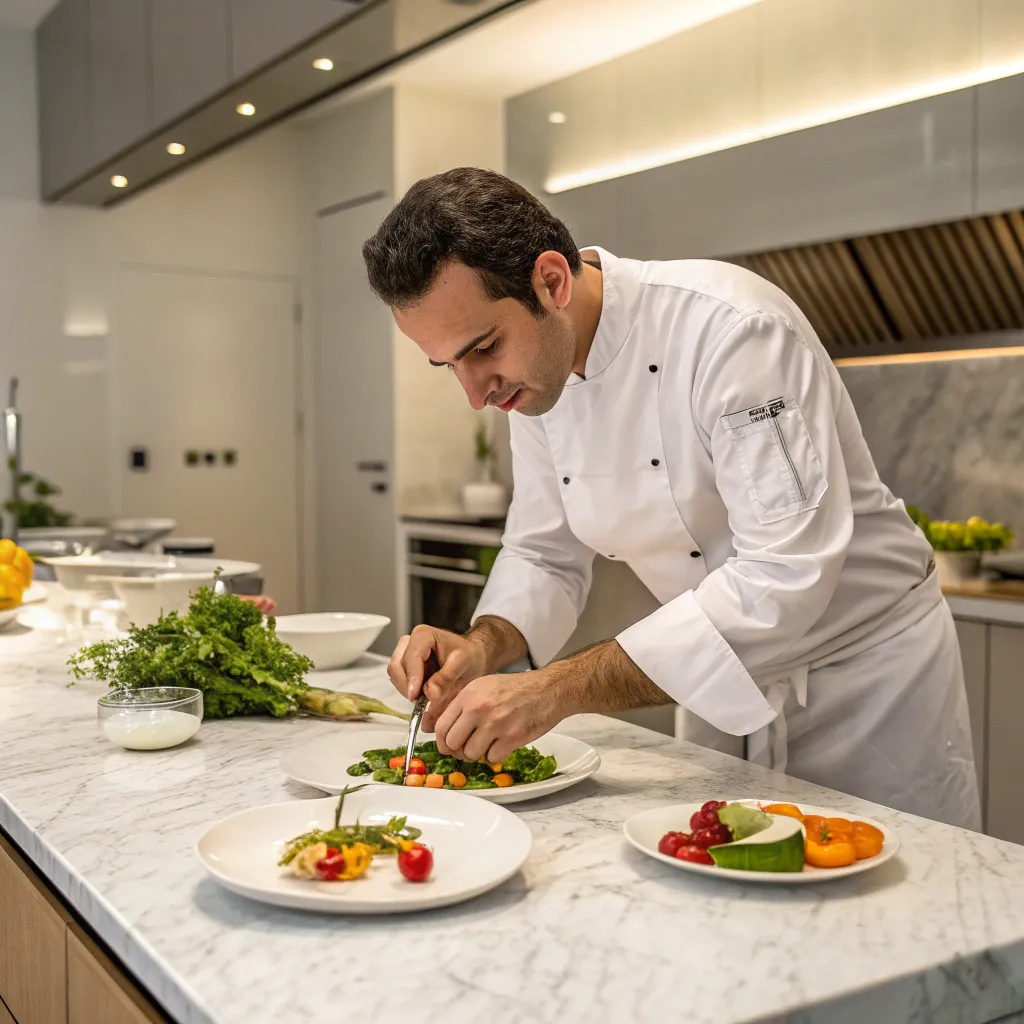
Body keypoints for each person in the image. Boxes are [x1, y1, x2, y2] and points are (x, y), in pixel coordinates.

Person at [361, 167, 980, 830]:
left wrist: (554, 691)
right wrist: (481, 644)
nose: (474, 390)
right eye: (449, 363)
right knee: (729, 906)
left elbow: (783, 575)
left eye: (483, 348)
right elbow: (544, 552)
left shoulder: (733, 332)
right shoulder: (532, 377)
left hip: (867, 682)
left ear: (551, 281)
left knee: (898, 907)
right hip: (718, 682)